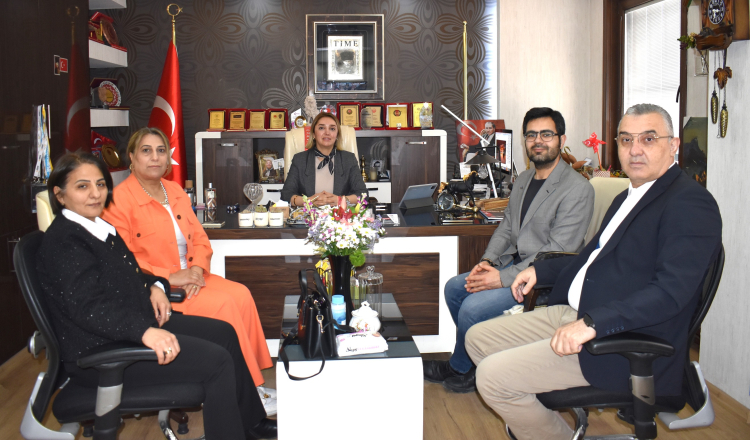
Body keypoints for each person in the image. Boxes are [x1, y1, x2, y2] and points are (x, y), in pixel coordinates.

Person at [465, 103, 722, 440]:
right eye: (626, 139)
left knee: (492, 378)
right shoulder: (628, 196)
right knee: (477, 339)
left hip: (618, 338)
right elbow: (590, 259)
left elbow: (669, 293)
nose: (635, 150)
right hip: (578, 311)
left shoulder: (689, 203)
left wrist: (592, 323)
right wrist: (540, 271)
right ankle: (537, 423)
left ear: (673, 145)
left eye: (648, 139)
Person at [36, 152, 277, 439]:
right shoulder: (66, 241)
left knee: (224, 333)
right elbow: (89, 308)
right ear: (60, 195)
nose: (95, 194)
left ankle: (250, 425)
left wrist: (156, 286)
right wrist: (144, 332)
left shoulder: (99, 227)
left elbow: (131, 272)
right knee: (217, 361)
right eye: (82, 186)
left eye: (100, 185)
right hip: (101, 354)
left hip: (129, 326)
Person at [101, 128, 276, 414]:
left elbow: (201, 239)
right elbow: (122, 260)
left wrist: (196, 268)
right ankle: (244, 395)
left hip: (193, 276)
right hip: (156, 288)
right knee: (224, 303)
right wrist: (170, 277)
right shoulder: (118, 201)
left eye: (161, 150)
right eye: (146, 151)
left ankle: (250, 383)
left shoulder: (174, 191)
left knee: (241, 294)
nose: (155, 157)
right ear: (131, 157)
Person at [424, 108, 595, 393]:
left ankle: (462, 367)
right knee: (454, 288)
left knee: (472, 308)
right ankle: (476, 361)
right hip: (511, 264)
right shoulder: (524, 179)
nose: (538, 141)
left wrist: (501, 278)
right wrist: (488, 261)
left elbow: (556, 252)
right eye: (531, 135)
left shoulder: (578, 189)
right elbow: (506, 227)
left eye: (546, 134)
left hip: (541, 278)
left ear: (561, 139)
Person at [281, 112, 367, 207]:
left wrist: (342, 200)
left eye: (332, 129)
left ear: (337, 135)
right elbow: (286, 194)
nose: (327, 133)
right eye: (321, 128)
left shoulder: (348, 159)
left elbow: (362, 194)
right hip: (308, 215)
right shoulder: (299, 160)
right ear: (313, 134)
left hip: (339, 215)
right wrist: (308, 201)